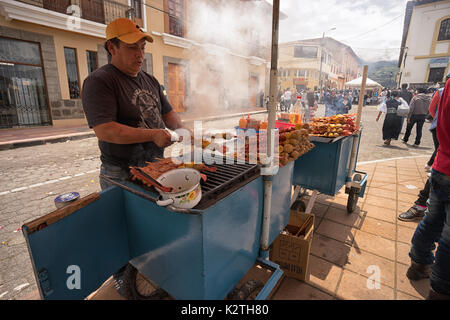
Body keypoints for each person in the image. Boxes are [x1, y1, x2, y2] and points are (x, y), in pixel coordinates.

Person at [81, 18, 187, 298]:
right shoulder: (100, 81)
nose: (140, 54)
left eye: (141, 47)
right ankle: (122, 279)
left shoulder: (150, 80)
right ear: (111, 47)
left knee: (150, 226)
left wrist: (184, 131)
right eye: (132, 48)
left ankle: (152, 270)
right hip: (121, 173)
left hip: (155, 169)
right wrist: (152, 135)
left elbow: (169, 114)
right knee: (122, 231)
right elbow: (106, 130)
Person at [406, 76, 450, 300]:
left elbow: (434, 114)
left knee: (432, 219)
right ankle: (441, 291)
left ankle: (418, 264)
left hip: (442, 163)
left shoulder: (444, 88)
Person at [425, 72, 449, 171]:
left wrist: (438, 119)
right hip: (440, 124)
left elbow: (431, 108)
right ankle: (431, 165)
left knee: (440, 148)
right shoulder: (440, 91)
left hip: (439, 125)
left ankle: (430, 165)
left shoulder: (440, 91)